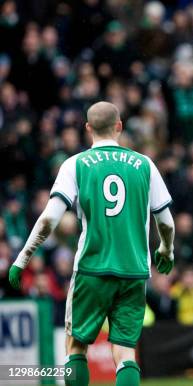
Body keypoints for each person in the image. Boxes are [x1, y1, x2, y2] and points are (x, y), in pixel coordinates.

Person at [8, 101, 175, 386]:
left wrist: (22, 258)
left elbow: (49, 219)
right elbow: (167, 222)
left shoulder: (75, 164)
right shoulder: (145, 165)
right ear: (119, 126)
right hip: (134, 271)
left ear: (87, 128)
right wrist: (166, 250)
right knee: (125, 353)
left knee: (76, 348)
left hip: (92, 269)